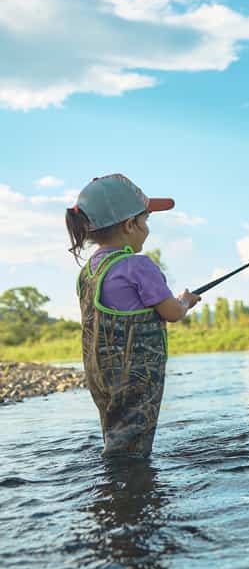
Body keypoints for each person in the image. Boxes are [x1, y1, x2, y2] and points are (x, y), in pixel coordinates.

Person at [65, 174, 200, 458]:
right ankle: (127, 493)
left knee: (116, 435)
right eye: (146, 220)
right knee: (133, 448)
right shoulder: (138, 266)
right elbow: (172, 313)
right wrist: (185, 301)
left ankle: (113, 490)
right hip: (135, 377)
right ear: (129, 225)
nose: (147, 229)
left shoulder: (89, 272)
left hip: (100, 375)